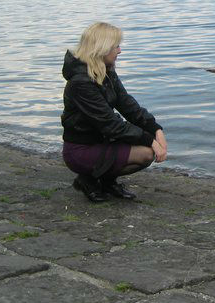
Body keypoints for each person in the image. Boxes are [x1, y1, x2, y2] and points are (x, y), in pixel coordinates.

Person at [61, 22, 167, 202]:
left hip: (103, 141)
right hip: (81, 149)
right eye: (116, 46)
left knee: (148, 139)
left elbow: (128, 106)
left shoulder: (105, 71)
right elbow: (110, 124)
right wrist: (150, 141)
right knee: (147, 153)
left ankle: (107, 182)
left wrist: (156, 129)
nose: (119, 51)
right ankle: (89, 179)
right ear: (102, 49)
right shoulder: (80, 83)